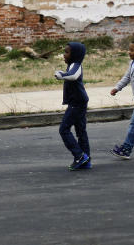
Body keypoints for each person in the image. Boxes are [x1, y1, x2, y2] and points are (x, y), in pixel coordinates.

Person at [55, 41, 91, 171]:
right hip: (79, 101)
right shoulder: (72, 65)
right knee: (81, 131)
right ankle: (86, 159)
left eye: (67, 52)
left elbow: (73, 76)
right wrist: (63, 73)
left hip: (77, 103)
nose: (64, 55)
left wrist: (61, 75)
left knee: (64, 129)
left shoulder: (76, 65)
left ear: (75, 54)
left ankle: (79, 156)